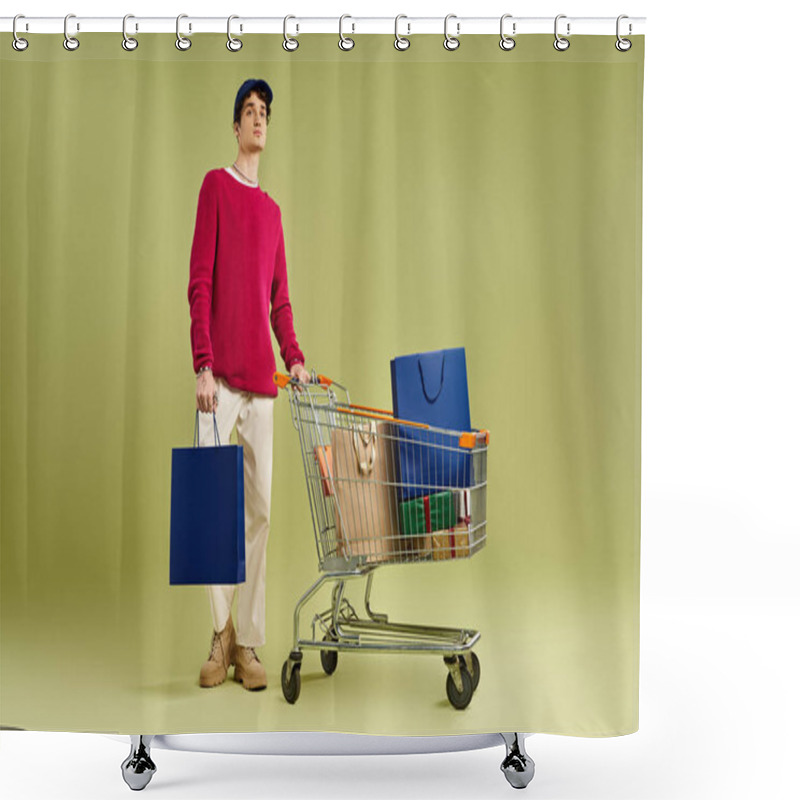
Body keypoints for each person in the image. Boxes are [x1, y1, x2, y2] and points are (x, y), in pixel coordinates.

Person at [188, 78, 310, 691]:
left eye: (264, 112)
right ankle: (221, 634)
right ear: (235, 127)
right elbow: (200, 282)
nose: (258, 120)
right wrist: (202, 365)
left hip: (263, 386)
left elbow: (279, 302)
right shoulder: (215, 186)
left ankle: (251, 647)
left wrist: (296, 356)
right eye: (248, 112)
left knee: (260, 515)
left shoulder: (273, 213)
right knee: (216, 513)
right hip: (220, 385)